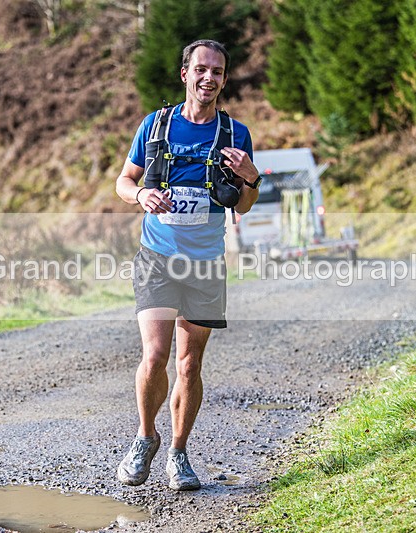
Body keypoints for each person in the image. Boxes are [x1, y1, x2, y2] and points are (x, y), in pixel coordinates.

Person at [114, 39, 261, 490]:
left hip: (206, 265)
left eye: (217, 71)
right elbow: (123, 180)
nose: (208, 78)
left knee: (189, 366)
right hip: (157, 259)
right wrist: (140, 195)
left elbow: (246, 205)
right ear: (185, 74)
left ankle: (178, 453)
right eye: (201, 69)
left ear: (223, 79)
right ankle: (145, 437)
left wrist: (251, 175)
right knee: (155, 356)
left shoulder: (236, 136)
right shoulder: (155, 126)